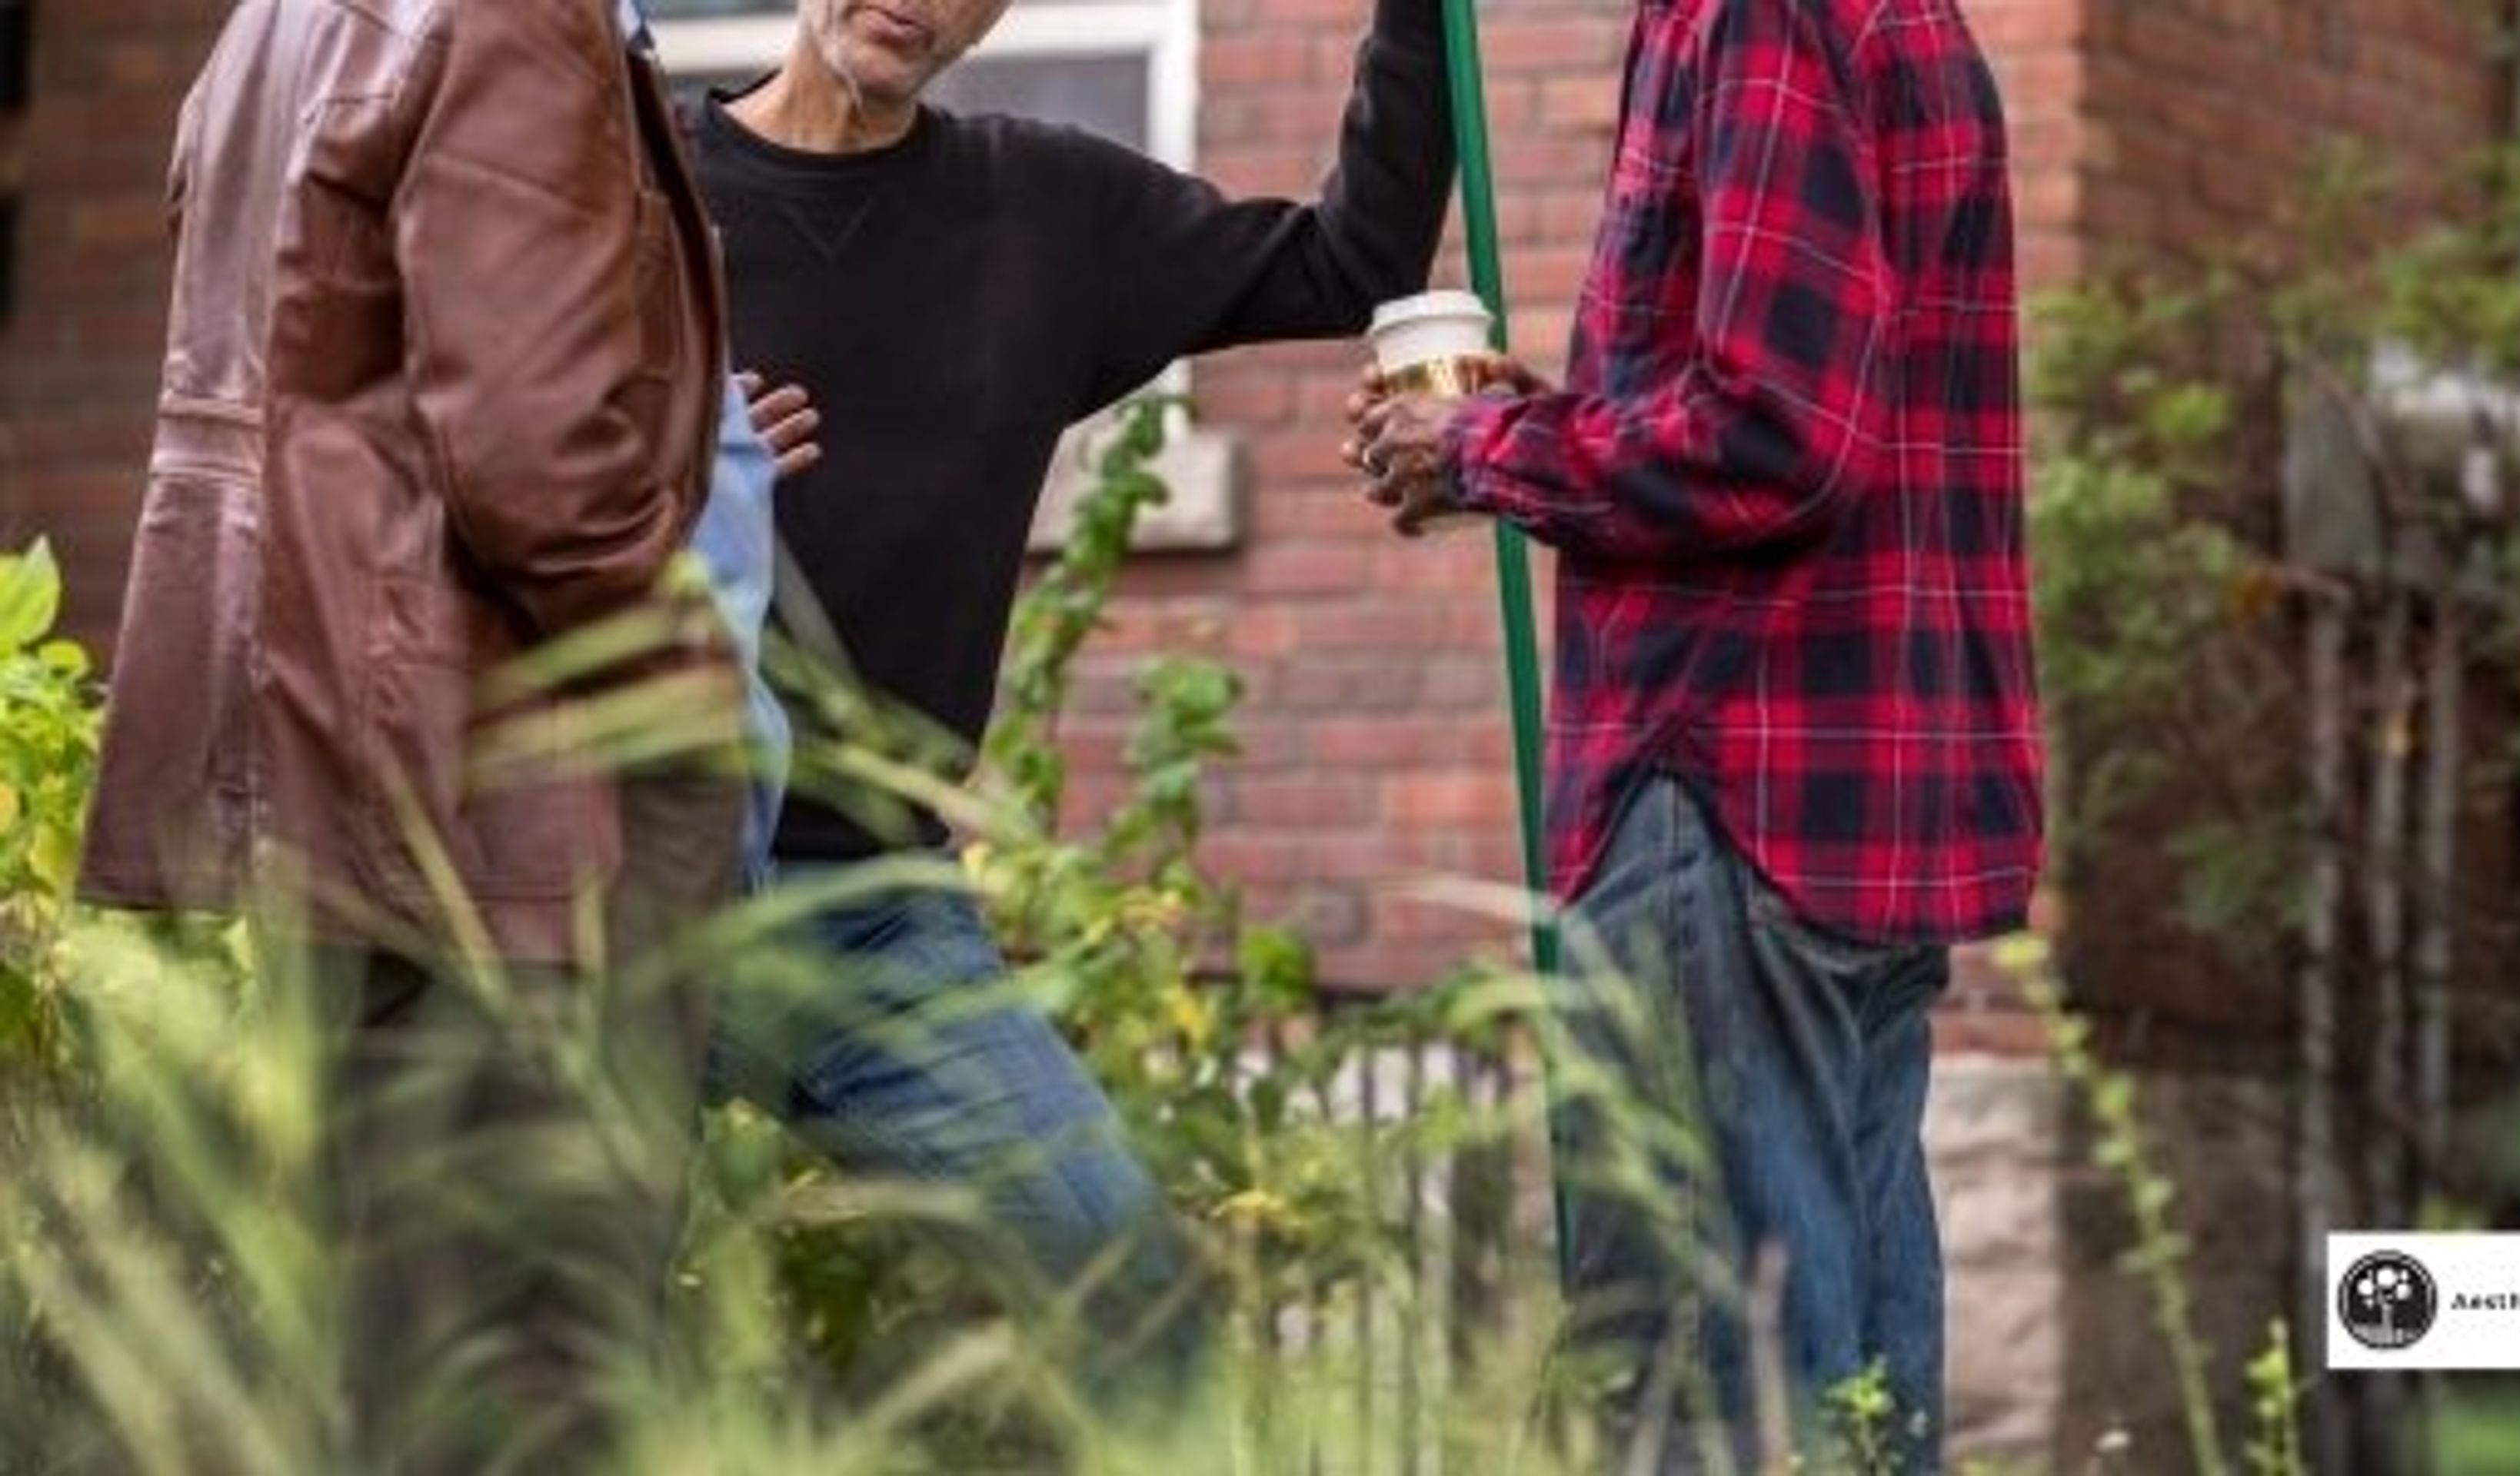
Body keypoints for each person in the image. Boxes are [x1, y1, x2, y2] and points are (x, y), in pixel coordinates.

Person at [678, 0, 1456, 1348]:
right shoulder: (640, 201)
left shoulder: (1044, 212)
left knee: (1132, 1306)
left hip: (869, 908)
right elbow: (454, 452)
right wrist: (669, 470)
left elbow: (1350, 262)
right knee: (531, 1342)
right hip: (624, 877)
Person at [1347, 0, 2041, 1467]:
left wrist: (1482, 448)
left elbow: (1777, 433)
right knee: (1849, 1393)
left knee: (1698, 1395)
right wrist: (1561, 423)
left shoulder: (1760, 13)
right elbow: (1811, 397)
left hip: (1726, 784)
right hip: (1856, 798)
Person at [76, 0, 746, 1464]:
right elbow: (532, 456)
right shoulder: (517, 16)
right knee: (527, 1376)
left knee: (383, 1354)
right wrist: (696, 684)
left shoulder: (277, 15)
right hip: (498, 794)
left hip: (334, 764)